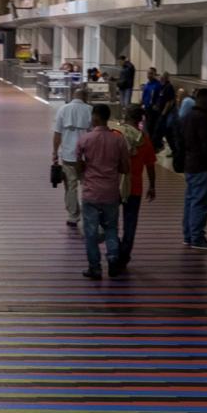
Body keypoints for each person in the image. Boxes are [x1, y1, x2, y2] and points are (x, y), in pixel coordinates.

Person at [75, 104, 131, 279]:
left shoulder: (85, 139)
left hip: (91, 192)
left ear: (96, 118)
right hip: (111, 193)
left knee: (91, 232)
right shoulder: (118, 140)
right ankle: (113, 260)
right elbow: (125, 167)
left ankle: (95, 267)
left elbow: (78, 164)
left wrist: (83, 175)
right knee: (111, 228)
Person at [112, 105, 156, 271]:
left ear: (126, 115)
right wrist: (152, 186)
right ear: (140, 120)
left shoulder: (116, 135)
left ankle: (114, 251)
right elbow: (150, 165)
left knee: (111, 221)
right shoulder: (144, 139)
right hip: (135, 187)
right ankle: (124, 255)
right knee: (130, 224)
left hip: (115, 185)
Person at [182, 88, 207, 251]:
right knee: (200, 201)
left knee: (191, 200)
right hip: (202, 165)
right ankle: (197, 237)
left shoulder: (187, 117)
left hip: (190, 163)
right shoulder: (203, 119)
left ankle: (189, 235)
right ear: (204, 100)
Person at [52, 87, 94, 229]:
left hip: (68, 155)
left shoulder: (63, 110)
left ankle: (73, 216)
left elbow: (57, 134)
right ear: (85, 97)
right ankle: (88, 214)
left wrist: (54, 153)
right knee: (88, 185)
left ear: (73, 96)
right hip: (87, 156)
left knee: (70, 186)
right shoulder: (90, 110)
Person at [153, 71, 176, 151]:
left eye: (162, 77)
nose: (161, 78)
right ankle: (159, 146)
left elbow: (169, 101)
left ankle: (159, 146)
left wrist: (164, 113)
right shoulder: (162, 87)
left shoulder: (169, 87)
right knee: (160, 131)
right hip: (160, 112)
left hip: (165, 114)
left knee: (160, 131)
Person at [140, 67, 163, 148]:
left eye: (151, 73)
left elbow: (160, 97)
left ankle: (154, 145)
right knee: (147, 127)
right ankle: (150, 143)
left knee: (152, 127)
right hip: (146, 108)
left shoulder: (157, 85)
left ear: (154, 74)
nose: (149, 75)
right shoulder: (147, 84)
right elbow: (144, 96)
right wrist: (141, 103)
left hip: (153, 110)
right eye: (148, 73)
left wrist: (156, 105)